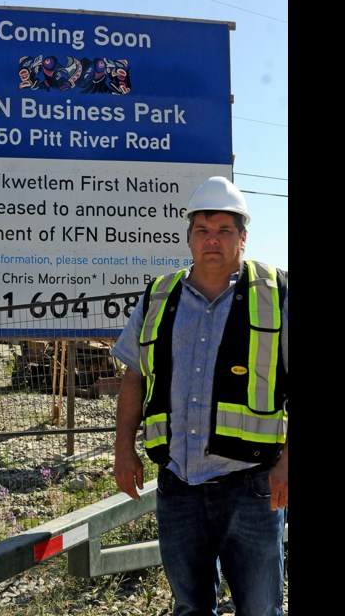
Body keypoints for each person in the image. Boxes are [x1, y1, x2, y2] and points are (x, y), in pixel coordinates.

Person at [111, 175, 288, 616]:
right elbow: (134, 376)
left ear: (243, 237)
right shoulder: (158, 295)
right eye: (203, 230)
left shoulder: (277, 295)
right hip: (178, 486)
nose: (213, 240)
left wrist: (288, 461)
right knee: (189, 608)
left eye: (225, 230)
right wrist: (122, 449)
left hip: (252, 486)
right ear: (189, 237)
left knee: (261, 609)